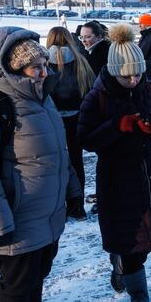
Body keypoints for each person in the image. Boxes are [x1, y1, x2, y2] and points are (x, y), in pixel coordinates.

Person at [0, 26, 80, 302]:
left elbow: (59, 151)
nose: (44, 72)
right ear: (12, 68)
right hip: (14, 218)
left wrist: (72, 191)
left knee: (37, 277)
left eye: (44, 65)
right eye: (35, 67)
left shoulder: (43, 99)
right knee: (15, 287)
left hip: (45, 213)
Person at [77, 23, 151, 302]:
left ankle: (121, 263)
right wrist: (116, 127)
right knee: (132, 242)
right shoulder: (96, 97)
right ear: (113, 71)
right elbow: (85, 139)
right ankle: (139, 297)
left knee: (146, 242)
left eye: (137, 73)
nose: (133, 79)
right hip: (118, 182)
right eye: (127, 75)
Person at [46, 26, 96, 220]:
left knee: (55, 163)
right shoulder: (80, 61)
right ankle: (77, 205)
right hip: (76, 118)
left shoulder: (43, 63)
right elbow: (89, 90)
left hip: (52, 120)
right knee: (76, 162)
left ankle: (59, 206)